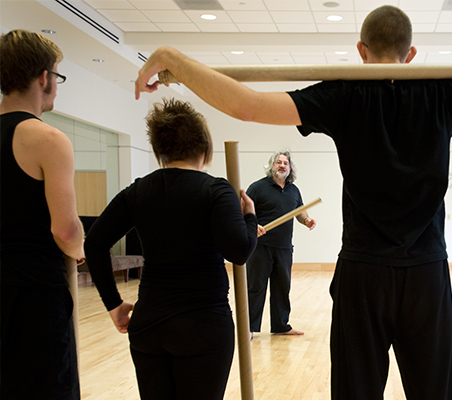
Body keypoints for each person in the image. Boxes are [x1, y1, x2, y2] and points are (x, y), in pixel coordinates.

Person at [134, 5, 452, 399]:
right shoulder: (442, 92)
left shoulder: (343, 94)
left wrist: (174, 59)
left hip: (363, 275)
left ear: (360, 51)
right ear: (412, 53)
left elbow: (245, 104)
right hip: (424, 273)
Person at [84, 98, 258, 399]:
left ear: (159, 149)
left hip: (149, 325)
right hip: (203, 328)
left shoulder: (137, 190)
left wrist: (114, 304)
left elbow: (94, 243)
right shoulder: (216, 190)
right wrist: (250, 216)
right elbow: (239, 251)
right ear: (204, 147)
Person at [0, 29, 85, 400]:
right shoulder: (47, 139)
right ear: (43, 78)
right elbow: (65, 231)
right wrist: (79, 248)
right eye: (57, 77)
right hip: (33, 297)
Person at [246, 150, 316, 337]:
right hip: (260, 247)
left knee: (282, 287)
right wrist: (254, 225)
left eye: (285, 163)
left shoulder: (294, 190)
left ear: (290, 168)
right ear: (272, 166)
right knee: (256, 287)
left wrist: (307, 220)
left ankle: (280, 326)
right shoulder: (258, 187)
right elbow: (243, 211)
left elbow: (299, 212)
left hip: (284, 248)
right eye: (278, 162)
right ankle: (250, 328)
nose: (282, 165)